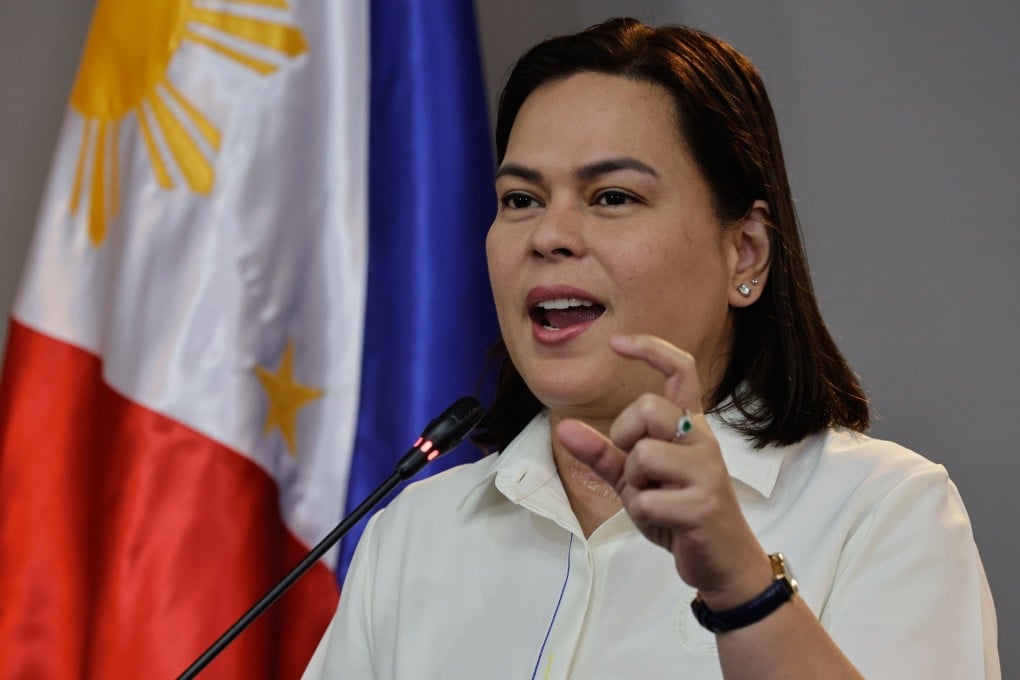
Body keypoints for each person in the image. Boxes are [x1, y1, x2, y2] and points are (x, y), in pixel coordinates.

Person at [303, 18, 999, 679]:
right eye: (520, 200)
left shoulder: (882, 511)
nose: (550, 234)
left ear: (744, 253)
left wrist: (740, 587)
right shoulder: (416, 533)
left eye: (610, 197)